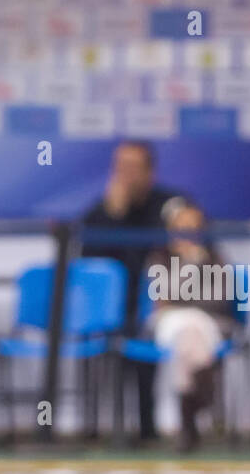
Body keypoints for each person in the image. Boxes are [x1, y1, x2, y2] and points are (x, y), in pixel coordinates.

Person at [81, 140, 184, 444]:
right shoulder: (100, 211)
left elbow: (189, 244)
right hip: (112, 308)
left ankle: (148, 428)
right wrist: (114, 214)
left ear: (150, 172)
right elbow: (87, 263)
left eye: (133, 167)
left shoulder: (170, 205)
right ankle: (97, 429)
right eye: (119, 167)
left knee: (145, 334)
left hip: (158, 301)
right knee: (116, 336)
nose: (125, 174)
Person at [142, 202, 239, 452]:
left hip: (208, 324)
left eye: (193, 226)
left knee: (192, 328)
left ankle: (187, 414)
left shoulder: (216, 259)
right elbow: (161, 298)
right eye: (181, 226)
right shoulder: (159, 257)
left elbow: (219, 301)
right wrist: (188, 267)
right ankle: (202, 396)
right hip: (168, 324)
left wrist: (197, 265)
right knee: (187, 328)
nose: (187, 232)